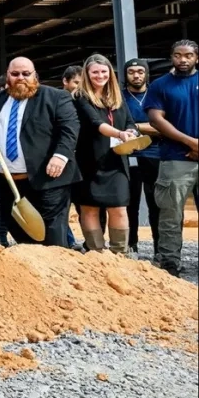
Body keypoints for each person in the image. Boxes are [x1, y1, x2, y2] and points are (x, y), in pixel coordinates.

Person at [0, 57, 79, 247]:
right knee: (20, 233)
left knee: (52, 236)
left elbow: (70, 128)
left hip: (48, 179)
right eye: (15, 74)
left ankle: (55, 274)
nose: (21, 78)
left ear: (35, 75)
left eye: (26, 74)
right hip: (9, 181)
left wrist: (60, 156)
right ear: (7, 76)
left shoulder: (56, 97)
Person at [73, 54, 137, 254]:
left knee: (119, 207)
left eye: (104, 71)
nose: (100, 76)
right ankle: (96, 253)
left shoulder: (117, 97)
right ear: (87, 74)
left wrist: (132, 133)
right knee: (89, 208)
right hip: (89, 160)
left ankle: (120, 252)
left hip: (116, 161)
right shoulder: (81, 97)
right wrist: (120, 133)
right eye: (95, 72)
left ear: (110, 73)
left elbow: (130, 122)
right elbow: (96, 123)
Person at [147, 40, 198, 277]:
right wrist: (191, 143)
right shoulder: (160, 85)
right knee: (170, 213)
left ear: (196, 58)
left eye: (188, 55)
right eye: (178, 55)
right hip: (175, 158)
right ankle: (169, 263)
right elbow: (157, 119)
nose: (183, 60)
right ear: (172, 57)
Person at [122, 58, 162, 256]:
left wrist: (135, 126)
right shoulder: (120, 97)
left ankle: (159, 248)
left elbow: (163, 126)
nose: (136, 75)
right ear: (125, 74)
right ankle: (132, 246)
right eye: (131, 72)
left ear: (146, 73)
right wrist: (149, 127)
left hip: (155, 155)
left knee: (157, 203)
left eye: (140, 71)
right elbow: (117, 125)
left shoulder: (157, 95)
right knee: (130, 203)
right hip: (128, 155)